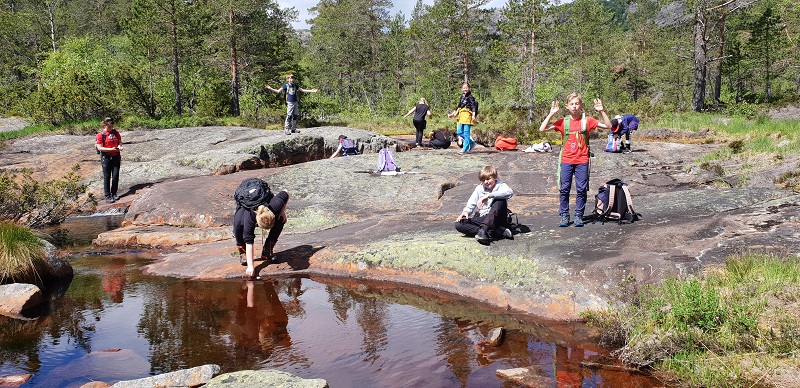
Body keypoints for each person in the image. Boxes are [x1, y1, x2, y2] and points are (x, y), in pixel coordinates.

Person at [539, 93, 611, 227]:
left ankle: (579, 215)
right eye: (571, 104)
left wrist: (601, 111)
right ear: (567, 106)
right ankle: (564, 215)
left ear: (581, 105)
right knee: (564, 189)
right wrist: (551, 114)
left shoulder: (587, 120)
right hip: (566, 160)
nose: (574, 106)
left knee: (581, 189)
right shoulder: (563, 122)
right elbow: (542, 129)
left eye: (577, 104)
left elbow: (608, 126)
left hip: (582, 160)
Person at [234, 188, 290, 278]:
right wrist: (250, 267)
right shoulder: (249, 217)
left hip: (262, 194)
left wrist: (282, 211)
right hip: (245, 200)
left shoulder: (275, 206)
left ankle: (267, 250)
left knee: (281, 220)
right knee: (238, 226)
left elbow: (286, 192)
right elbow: (249, 243)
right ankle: (242, 252)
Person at [455, 165, 514, 244]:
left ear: (494, 177)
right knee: (459, 224)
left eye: (488, 179)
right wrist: (466, 212)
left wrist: (489, 195)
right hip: (484, 218)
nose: (486, 182)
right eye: (483, 180)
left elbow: (509, 193)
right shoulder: (479, 188)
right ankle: (494, 232)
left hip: (499, 218)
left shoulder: (502, 186)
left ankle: (484, 229)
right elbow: (472, 202)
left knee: (499, 199)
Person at [95, 117, 122, 204]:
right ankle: (107, 195)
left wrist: (120, 146)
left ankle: (114, 193)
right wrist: (111, 150)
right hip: (106, 158)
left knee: (115, 175)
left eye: (112, 126)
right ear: (105, 125)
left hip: (116, 156)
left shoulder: (115, 132)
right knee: (107, 176)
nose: (111, 128)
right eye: (109, 127)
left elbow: (120, 141)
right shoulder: (100, 135)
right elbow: (99, 148)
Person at [447, 82, 478, 155]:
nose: (465, 89)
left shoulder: (470, 97)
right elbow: (458, 106)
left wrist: (473, 115)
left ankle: (464, 149)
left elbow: (473, 106)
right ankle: (471, 142)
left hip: (467, 115)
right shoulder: (462, 96)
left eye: (466, 88)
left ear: (469, 88)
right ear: (462, 89)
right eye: (464, 88)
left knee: (466, 133)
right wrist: (452, 114)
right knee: (459, 132)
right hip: (461, 116)